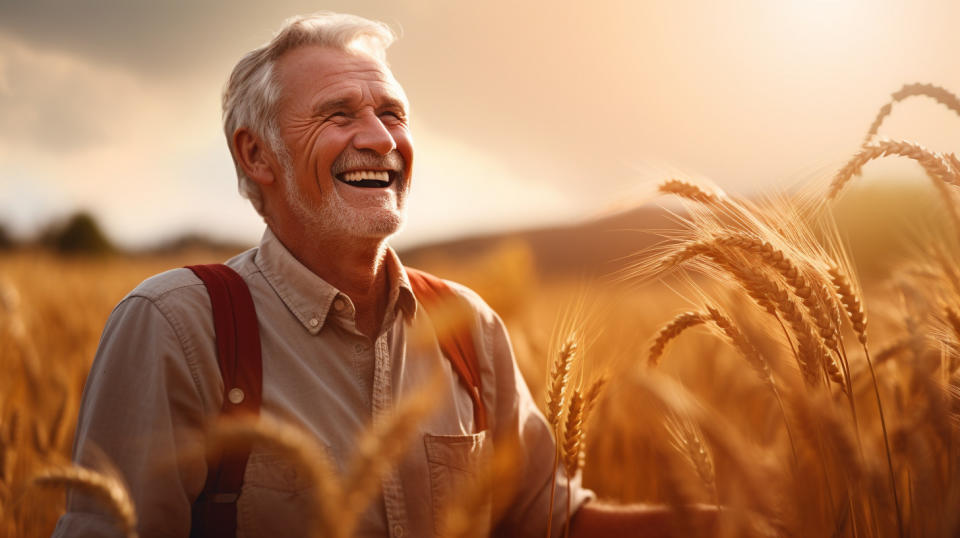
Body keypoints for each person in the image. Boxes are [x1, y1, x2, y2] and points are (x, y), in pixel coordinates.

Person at [54, 12, 715, 537]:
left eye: (391, 112)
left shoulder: (469, 328)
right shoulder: (177, 327)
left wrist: (733, 523)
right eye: (339, 113)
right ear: (257, 154)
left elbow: (550, 523)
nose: (379, 138)